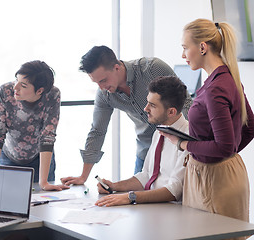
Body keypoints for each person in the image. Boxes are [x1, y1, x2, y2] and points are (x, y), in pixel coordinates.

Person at [161, 19, 254, 224]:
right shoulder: (227, 78)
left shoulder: (215, 89)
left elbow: (224, 145)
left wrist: (182, 143)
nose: (183, 55)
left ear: (202, 47)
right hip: (227, 173)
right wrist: (226, 159)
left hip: (214, 180)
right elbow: (250, 128)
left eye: (185, 48)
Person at [61, 45, 192, 186]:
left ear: (117, 67)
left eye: (103, 80)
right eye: (96, 82)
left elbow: (185, 103)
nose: (101, 87)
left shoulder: (152, 68)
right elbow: (97, 131)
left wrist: (193, 142)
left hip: (177, 149)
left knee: (177, 197)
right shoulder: (105, 95)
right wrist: (83, 177)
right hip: (146, 153)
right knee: (140, 200)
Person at [95, 76, 188, 206]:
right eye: (147, 102)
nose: (145, 109)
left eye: (152, 105)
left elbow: (174, 191)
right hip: (152, 207)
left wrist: (130, 197)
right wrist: (114, 186)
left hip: (172, 210)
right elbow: (147, 175)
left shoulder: (187, 139)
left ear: (171, 112)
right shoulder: (159, 132)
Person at [0, 60, 69, 191]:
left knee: (41, 203)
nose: (15, 87)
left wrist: (44, 182)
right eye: (16, 80)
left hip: (39, 158)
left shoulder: (52, 95)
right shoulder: (5, 91)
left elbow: (48, 136)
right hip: (9, 156)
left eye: (23, 85)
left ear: (40, 91)